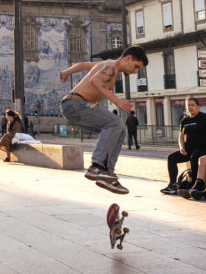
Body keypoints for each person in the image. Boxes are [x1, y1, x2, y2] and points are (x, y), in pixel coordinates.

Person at [58, 44, 148, 193]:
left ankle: (108, 174)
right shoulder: (111, 67)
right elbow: (95, 81)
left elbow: (83, 65)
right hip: (76, 104)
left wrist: (67, 72)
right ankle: (97, 166)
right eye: (136, 66)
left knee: (120, 130)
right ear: (129, 58)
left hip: (75, 107)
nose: (135, 72)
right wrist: (118, 101)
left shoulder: (105, 64)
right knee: (115, 122)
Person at [160, 98, 206, 195]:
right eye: (189, 105)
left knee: (194, 157)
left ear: (198, 107)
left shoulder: (203, 117)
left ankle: (193, 184)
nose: (190, 107)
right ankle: (172, 184)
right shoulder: (185, 120)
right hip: (189, 149)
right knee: (171, 158)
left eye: (192, 105)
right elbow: (181, 136)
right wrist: (181, 147)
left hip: (202, 148)